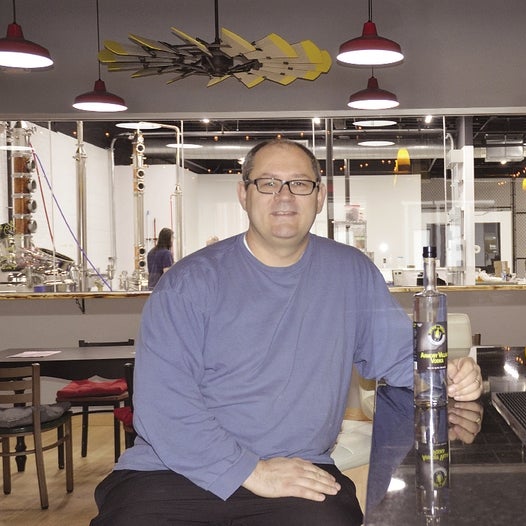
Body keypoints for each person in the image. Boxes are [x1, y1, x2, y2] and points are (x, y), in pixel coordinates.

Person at [90, 139, 482, 526]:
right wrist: (253, 471)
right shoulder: (189, 283)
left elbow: (400, 358)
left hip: (298, 469)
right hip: (171, 471)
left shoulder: (350, 272)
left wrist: (449, 373)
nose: (284, 196)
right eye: (267, 183)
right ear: (243, 194)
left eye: (299, 183)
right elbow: (163, 408)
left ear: (319, 195)